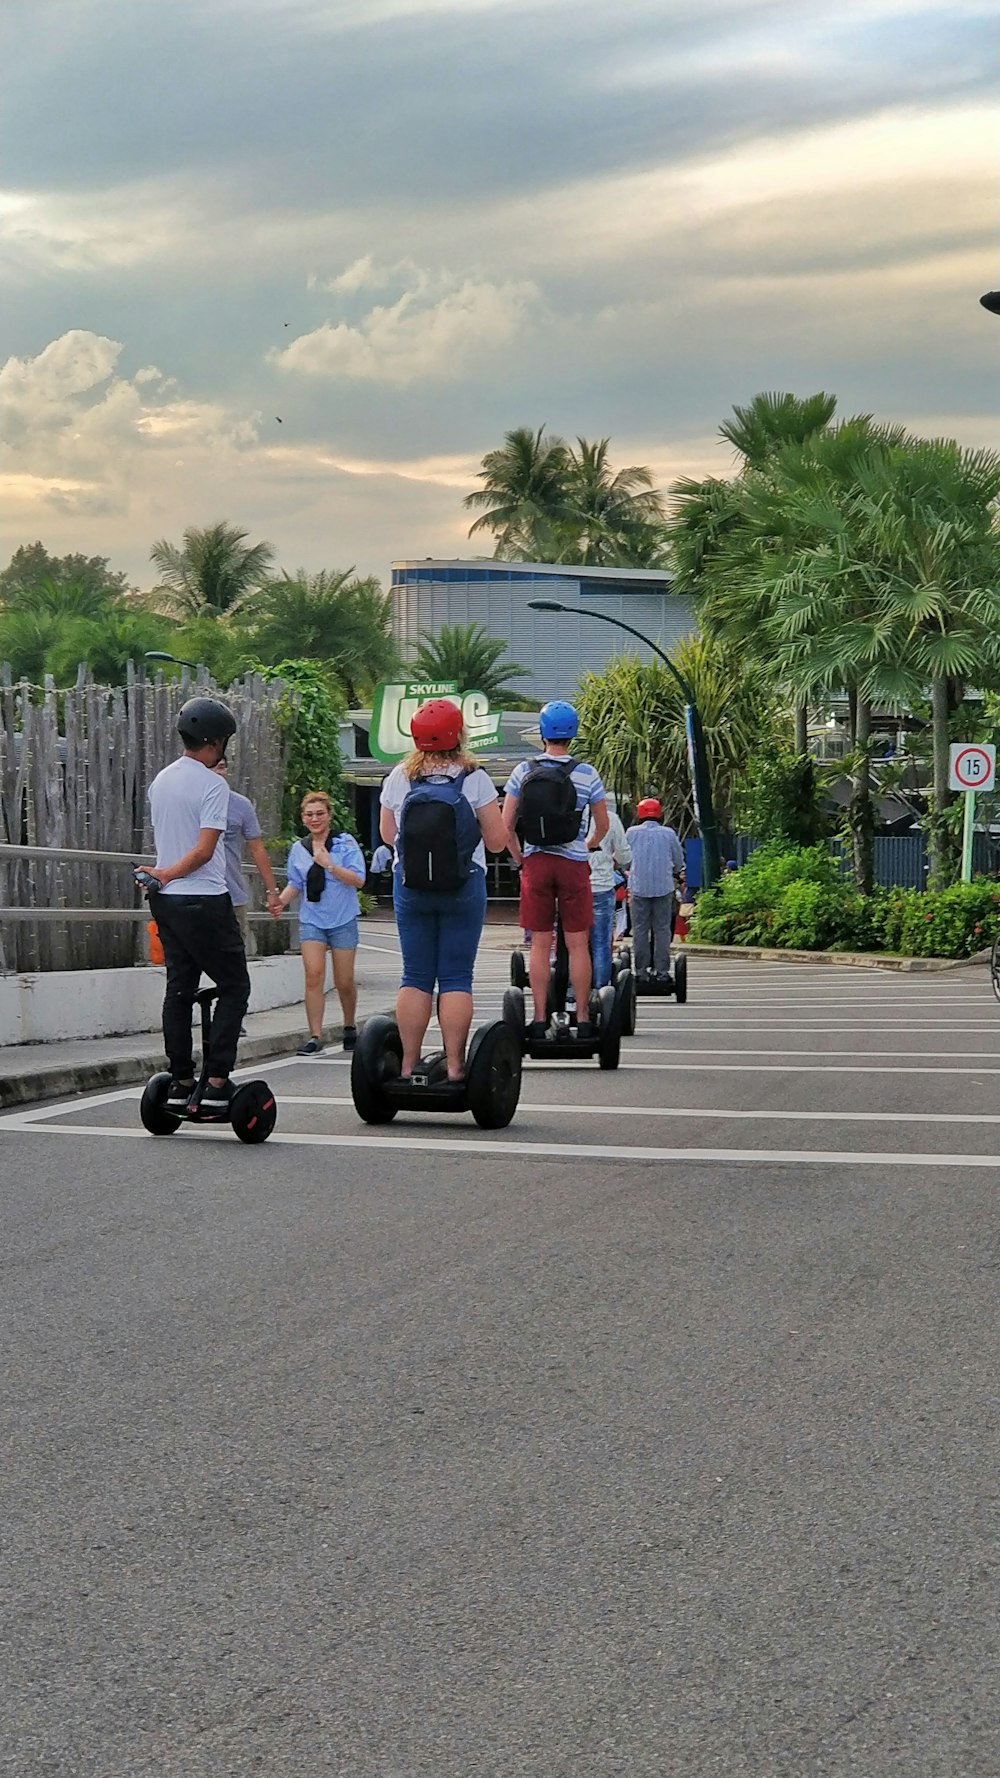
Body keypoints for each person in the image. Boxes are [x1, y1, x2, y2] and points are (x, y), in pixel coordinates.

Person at [379, 698, 510, 1082]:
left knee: (415, 974)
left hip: (411, 887)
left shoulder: (400, 776)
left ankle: (406, 1066)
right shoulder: (475, 778)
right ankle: (455, 1067)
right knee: (455, 977)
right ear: (459, 734)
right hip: (464, 886)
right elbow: (498, 841)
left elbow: (389, 835)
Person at [145, 695, 252, 1119]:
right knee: (234, 986)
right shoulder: (213, 784)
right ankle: (216, 1083)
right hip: (203, 899)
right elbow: (205, 851)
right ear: (214, 742)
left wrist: (162, 876)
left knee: (180, 988)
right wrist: (172, 872)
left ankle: (181, 1081)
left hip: (165, 903)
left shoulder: (162, 780)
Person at [503, 700, 609, 1041]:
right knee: (578, 944)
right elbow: (603, 826)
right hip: (573, 863)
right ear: (573, 733)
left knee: (539, 944)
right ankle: (582, 1016)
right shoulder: (586, 773)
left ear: (543, 732)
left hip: (536, 861)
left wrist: (521, 858)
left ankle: (537, 1018)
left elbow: (507, 826)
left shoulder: (523, 770)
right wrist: (586, 844)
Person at [277, 791, 366, 1054]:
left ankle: (349, 1025)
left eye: (320, 813)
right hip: (312, 919)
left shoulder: (344, 843)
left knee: (344, 980)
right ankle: (315, 1034)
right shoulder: (298, 849)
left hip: (342, 918)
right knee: (313, 975)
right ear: (303, 819)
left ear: (328, 815)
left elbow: (359, 879)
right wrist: (280, 901)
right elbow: (296, 883)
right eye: (309, 814)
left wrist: (330, 866)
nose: (315, 819)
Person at [213, 759, 282, 949]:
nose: (217, 773)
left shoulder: (241, 805)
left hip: (231, 893)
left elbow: (257, 848)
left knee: (233, 959)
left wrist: (272, 891)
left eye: (221, 767)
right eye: (211, 768)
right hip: (196, 894)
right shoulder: (190, 802)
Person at [625, 797, 686, 983]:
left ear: (640, 813)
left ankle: (641, 972)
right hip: (664, 888)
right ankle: (662, 972)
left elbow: (625, 860)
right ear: (659, 813)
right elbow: (678, 861)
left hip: (638, 888)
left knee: (640, 930)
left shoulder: (631, 833)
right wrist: (675, 870)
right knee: (662, 930)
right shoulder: (669, 834)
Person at [587, 792, 632, 989]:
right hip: (602, 885)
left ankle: (573, 990)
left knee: (574, 943)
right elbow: (623, 856)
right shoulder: (611, 819)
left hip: (575, 885)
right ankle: (601, 990)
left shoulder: (568, 816)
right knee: (601, 943)